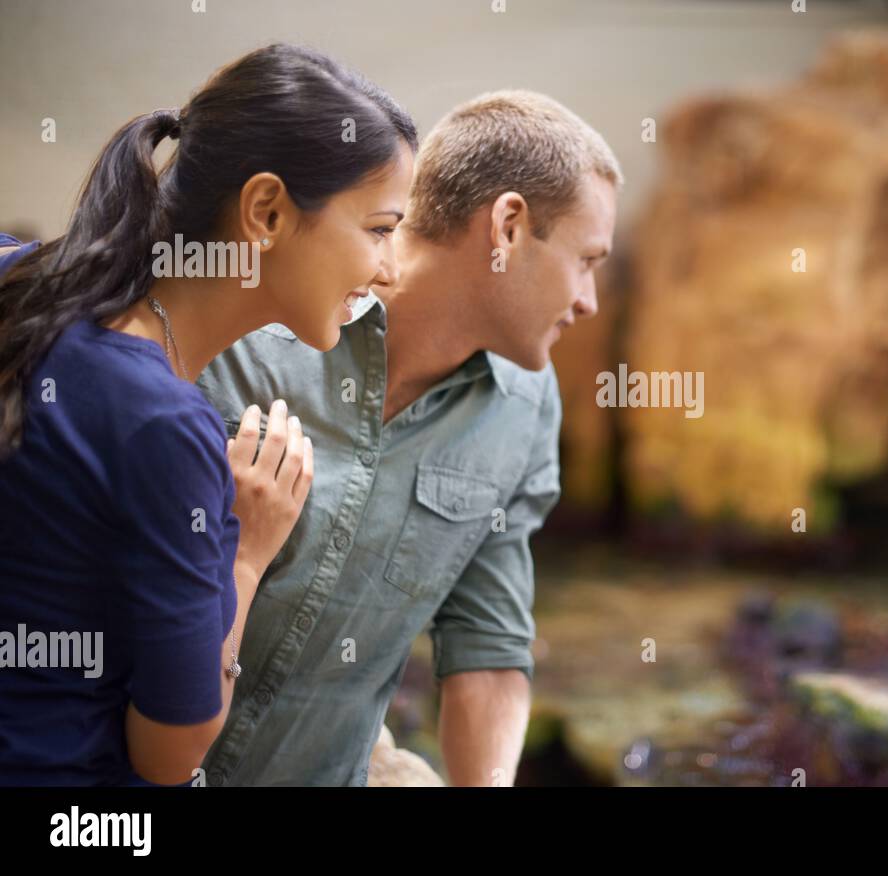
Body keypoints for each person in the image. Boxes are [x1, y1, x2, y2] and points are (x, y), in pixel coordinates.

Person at [0, 43, 416, 786]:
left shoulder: (19, 275)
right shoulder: (169, 425)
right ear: (267, 211)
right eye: (380, 229)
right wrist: (247, 553)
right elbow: (171, 752)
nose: (390, 270)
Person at [195, 90, 620, 786]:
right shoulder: (249, 323)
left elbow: (487, 643)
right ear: (508, 226)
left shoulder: (526, 406)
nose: (589, 300)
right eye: (587, 260)